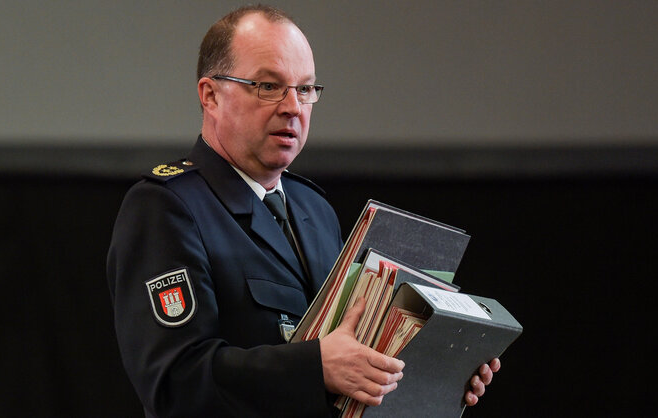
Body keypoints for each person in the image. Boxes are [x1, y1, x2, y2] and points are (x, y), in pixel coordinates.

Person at [107, 5, 500, 417]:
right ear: (210, 95)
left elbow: (347, 367)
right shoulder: (166, 207)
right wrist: (315, 367)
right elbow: (174, 384)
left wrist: (430, 370)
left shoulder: (314, 209)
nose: (293, 106)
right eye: (268, 86)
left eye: (306, 88)